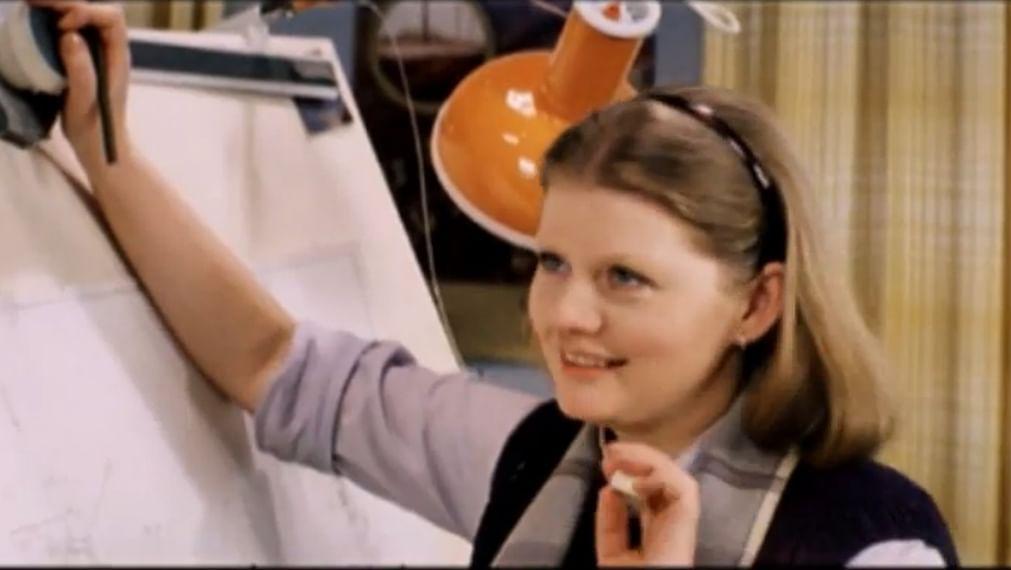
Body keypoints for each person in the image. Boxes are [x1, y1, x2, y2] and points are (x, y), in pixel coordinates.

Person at [38, 0, 959, 565]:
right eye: (552, 262)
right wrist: (105, 148)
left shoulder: (875, 542)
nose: (566, 314)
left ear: (756, 304)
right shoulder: (534, 456)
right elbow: (276, 366)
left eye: (626, 278)